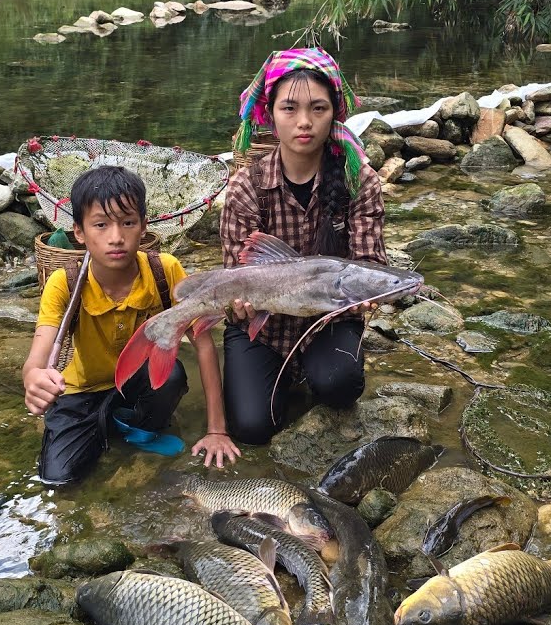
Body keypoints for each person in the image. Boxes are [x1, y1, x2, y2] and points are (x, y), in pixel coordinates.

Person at [23, 166, 240, 485]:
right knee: (59, 478)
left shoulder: (164, 270)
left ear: (143, 226)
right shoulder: (64, 283)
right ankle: (111, 422)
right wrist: (33, 379)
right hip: (82, 390)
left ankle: (138, 430)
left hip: (139, 382)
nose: (116, 237)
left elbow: (203, 343)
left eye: (127, 223)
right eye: (100, 225)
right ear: (79, 232)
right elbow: (39, 355)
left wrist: (217, 430)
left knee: (173, 375)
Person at [220, 48, 387, 445]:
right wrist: (236, 304)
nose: (304, 122)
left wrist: (368, 298)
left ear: (335, 113)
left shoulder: (358, 181)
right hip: (261, 325)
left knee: (339, 386)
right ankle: (283, 374)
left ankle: (314, 368)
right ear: (270, 114)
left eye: (318, 108)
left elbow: (368, 262)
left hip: (329, 318)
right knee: (252, 428)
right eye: (289, 109)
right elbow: (235, 276)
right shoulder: (247, 186)